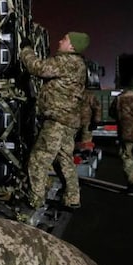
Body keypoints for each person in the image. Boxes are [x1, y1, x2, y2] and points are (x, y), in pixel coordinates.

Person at [19, 31, 89, 208]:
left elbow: (38, 68)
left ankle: (35, 200)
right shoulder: (79, 64)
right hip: (69, 121)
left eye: (64, 39)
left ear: (72, 46)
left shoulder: (66, 61)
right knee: (64, 159)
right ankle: (73, 198)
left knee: (38, 160)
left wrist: (26, 49)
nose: (60, 41)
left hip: (57, 120)